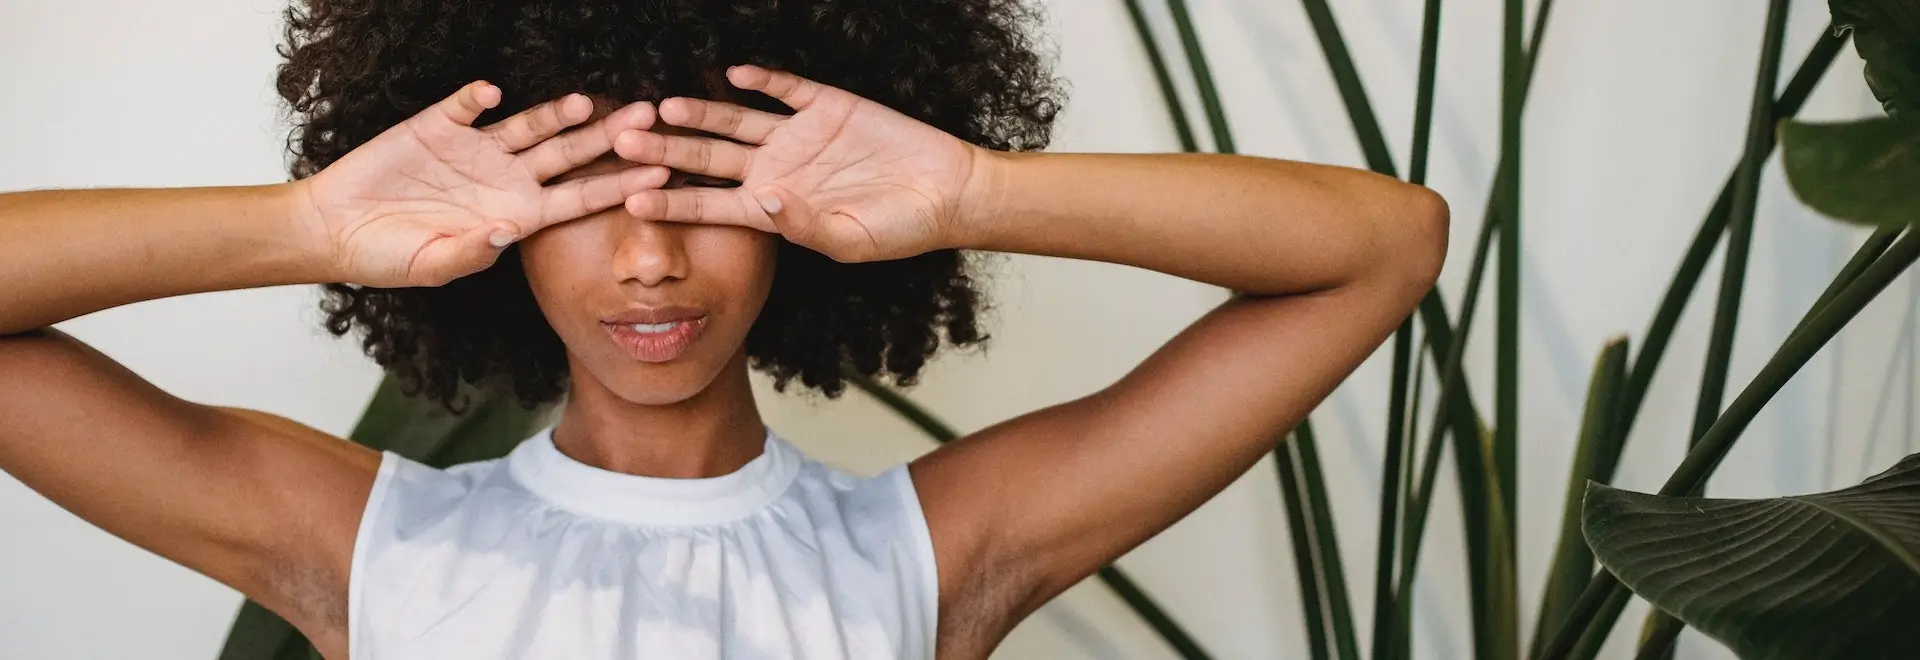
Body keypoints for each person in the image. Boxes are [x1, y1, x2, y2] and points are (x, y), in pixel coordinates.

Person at [0, 0, 1447, 658]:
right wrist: (307, 226)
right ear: (494, 211)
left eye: (707, 190)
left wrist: (967, 188)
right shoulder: (360, 546)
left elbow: (1384, 247)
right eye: (581, 196)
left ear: (800, 207)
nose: (645, 258)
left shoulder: (932, 557)